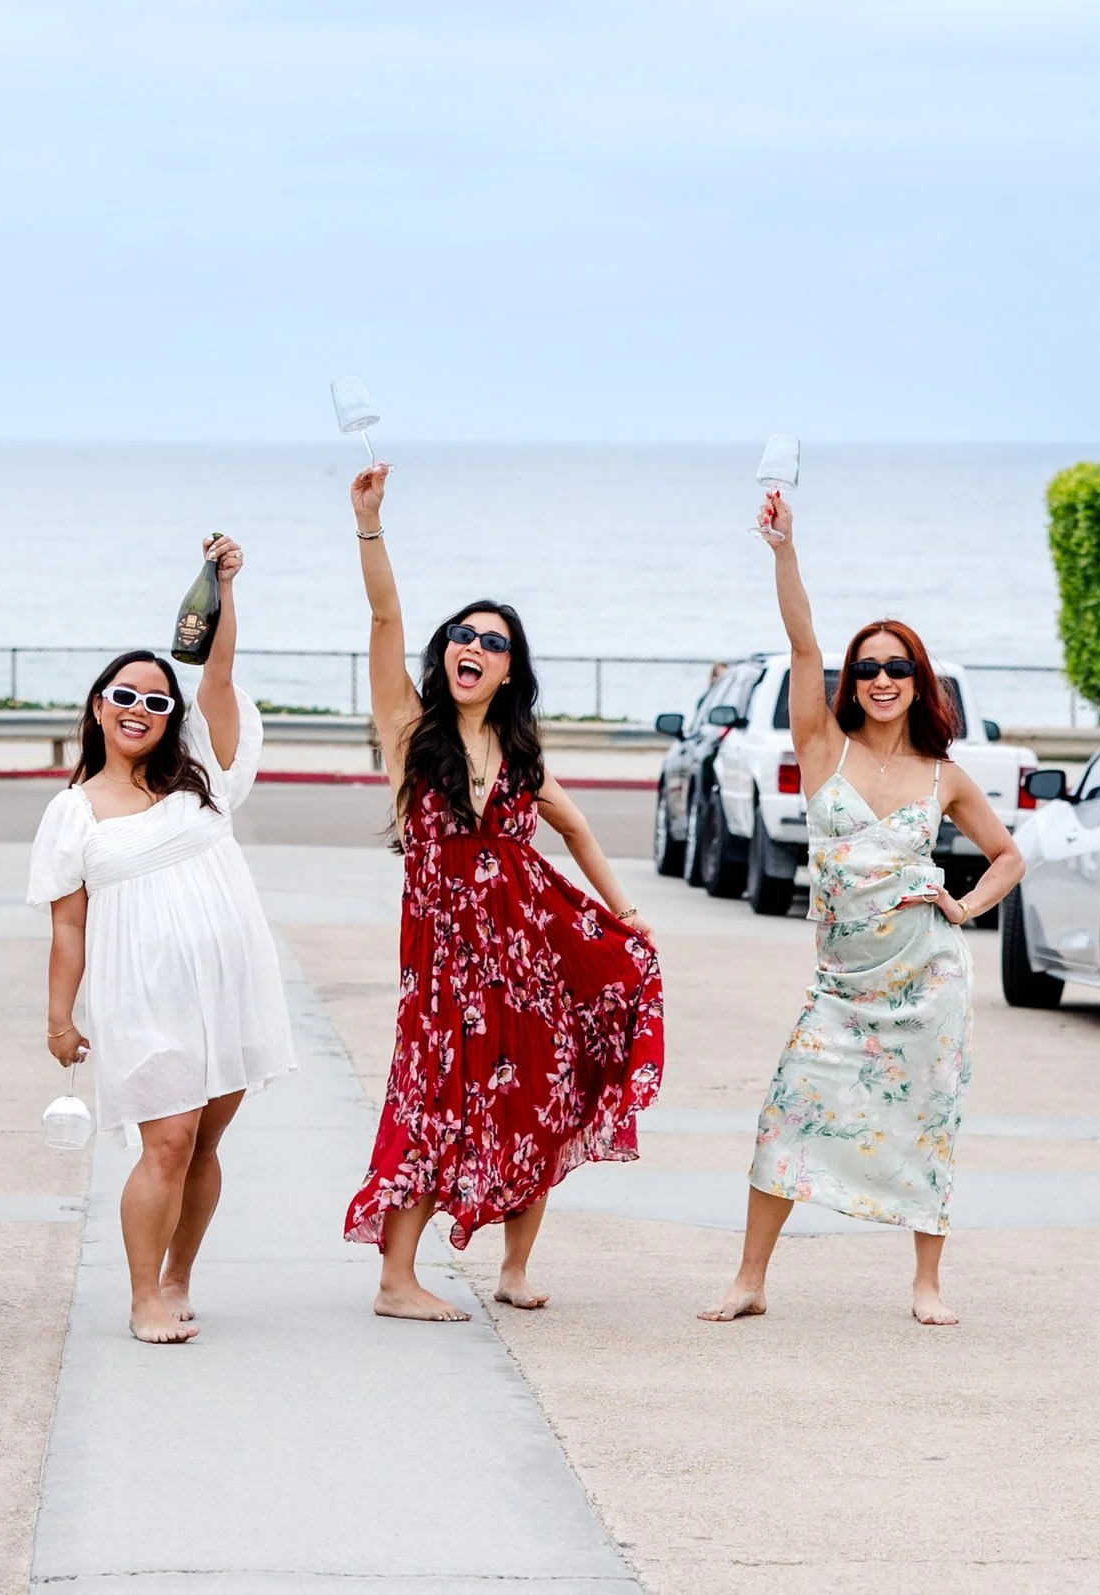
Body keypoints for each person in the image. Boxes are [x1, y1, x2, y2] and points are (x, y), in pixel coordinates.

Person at [341, 465, 664, 1320]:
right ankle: (395, 1280)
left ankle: (516, 1268)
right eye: (459, 636)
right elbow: (383, 618)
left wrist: (623, 913)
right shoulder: (411, 733)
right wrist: (370, 524)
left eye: (490, 642)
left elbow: (579, 831)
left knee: (543, 1094)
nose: (470, 648)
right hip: (443, 968)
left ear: (510, 669)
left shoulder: (522, 757)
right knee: (427, 1096)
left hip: (526, 961)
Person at [700, 488, 1024, 1327]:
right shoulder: (821, 746)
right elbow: (803, 642)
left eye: (898, 667)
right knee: (786, 1111)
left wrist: (962, 905)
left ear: (919, 683)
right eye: (869, 668)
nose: (881, 679)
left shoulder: (946, 774)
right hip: (843, 988)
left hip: (928, 980)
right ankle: (749, 1279)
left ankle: (926, 1284)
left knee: (927, 1121)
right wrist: (783, 552)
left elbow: (1009, 856)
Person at [28, 534, 292, 1344]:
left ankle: (180, 1276)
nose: (141, 708)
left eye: (157, 699)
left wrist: (222, 585)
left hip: (228, 985)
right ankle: (143, 1295)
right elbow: (67, 924)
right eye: (126, 695)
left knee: (204, 1142)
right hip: (140, 995)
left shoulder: (203, 776)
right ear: (99, 705)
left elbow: (217, 672)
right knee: (167, 1139)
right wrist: (58, 1017)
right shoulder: (72, 810)